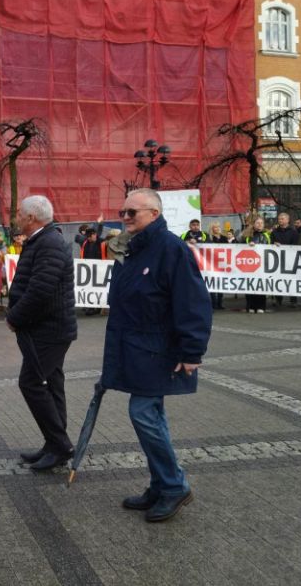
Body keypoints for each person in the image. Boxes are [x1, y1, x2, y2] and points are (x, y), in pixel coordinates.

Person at [100, 188, 212, 523]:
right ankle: (161, 484)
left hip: (158, 350)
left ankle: (174, 486)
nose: (125, 217)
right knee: (152, 415)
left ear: (154, 213)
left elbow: (193, 301)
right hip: (135, 348)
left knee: (143, 413)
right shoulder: (132, 248)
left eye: (132, 212)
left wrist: (192, 351)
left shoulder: (170, 248)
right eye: (122, 211)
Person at [5, 195, 77, 471]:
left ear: (31, 218)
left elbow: (40, 290)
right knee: (52, 384)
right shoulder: (43, 240)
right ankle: (53, 443)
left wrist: (14, 317)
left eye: (20, 214)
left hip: (50, 331)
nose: (17, 218)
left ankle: (60, 445)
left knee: (31, 384)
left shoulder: (48, 242)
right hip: (48, 329)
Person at [271, 213, 299, 308]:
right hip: (277, 259)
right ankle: (278, 299)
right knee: (278, 279)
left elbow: (296, 245)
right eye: (279, 219)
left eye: (282, 219)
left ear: (288, 220)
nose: (280, 220)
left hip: (290, 259)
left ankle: (293, 300)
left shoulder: (293, 232)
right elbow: (270, 244)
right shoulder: (274, 232)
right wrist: (274, 244)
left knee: (291, 279)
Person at [244, 217, 270, 313]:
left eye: (261, 223)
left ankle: (261, 306)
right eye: (257, 223)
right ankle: (250, 306)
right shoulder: (247, 235)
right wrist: (247, 245)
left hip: (263, 264)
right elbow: (237, 246)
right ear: (254, 224)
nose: (259, 225)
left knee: (261, 286)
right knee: (250, 285)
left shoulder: (268, 235)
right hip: (249, 265)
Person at [208, 224, 227, 310]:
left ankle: (220, 302)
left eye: (219, 227)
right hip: (212, 263)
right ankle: (213, 303)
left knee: (221, 283)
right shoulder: (210, 238)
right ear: (212, 229)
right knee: (212, 283)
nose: (217, 228)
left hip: (222, 263)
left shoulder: (224, 238)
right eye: (215, 227)